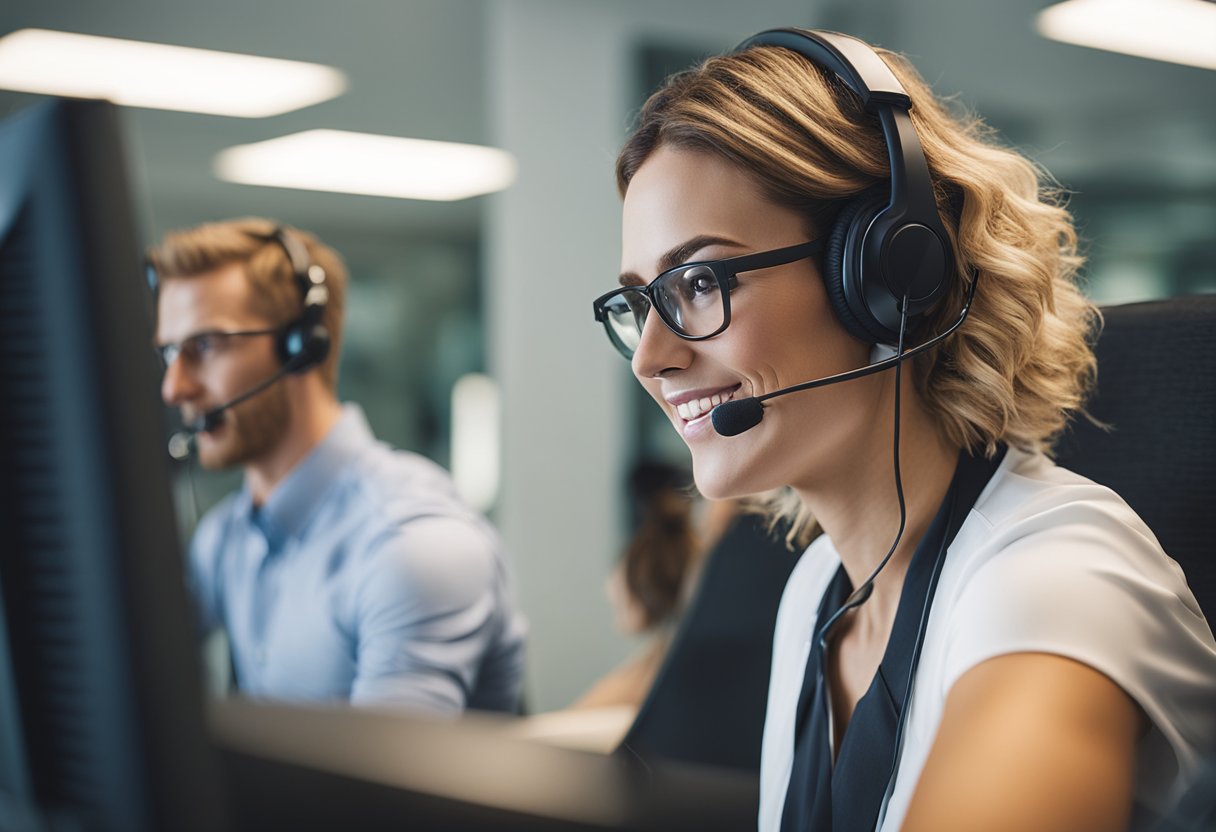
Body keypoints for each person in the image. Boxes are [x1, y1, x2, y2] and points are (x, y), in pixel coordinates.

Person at [592, 28, 1216, 831]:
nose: (651, 357)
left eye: (700, 282)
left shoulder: (1052, 584)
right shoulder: (818, 594)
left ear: (889, 274)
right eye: (640, 301)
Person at [151, 217, 526, 714]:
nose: (174, 388)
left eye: (205, 347)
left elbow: (384, 788)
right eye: (171, 353)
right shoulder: (225, 540)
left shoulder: (412, 548)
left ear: (300, 348)